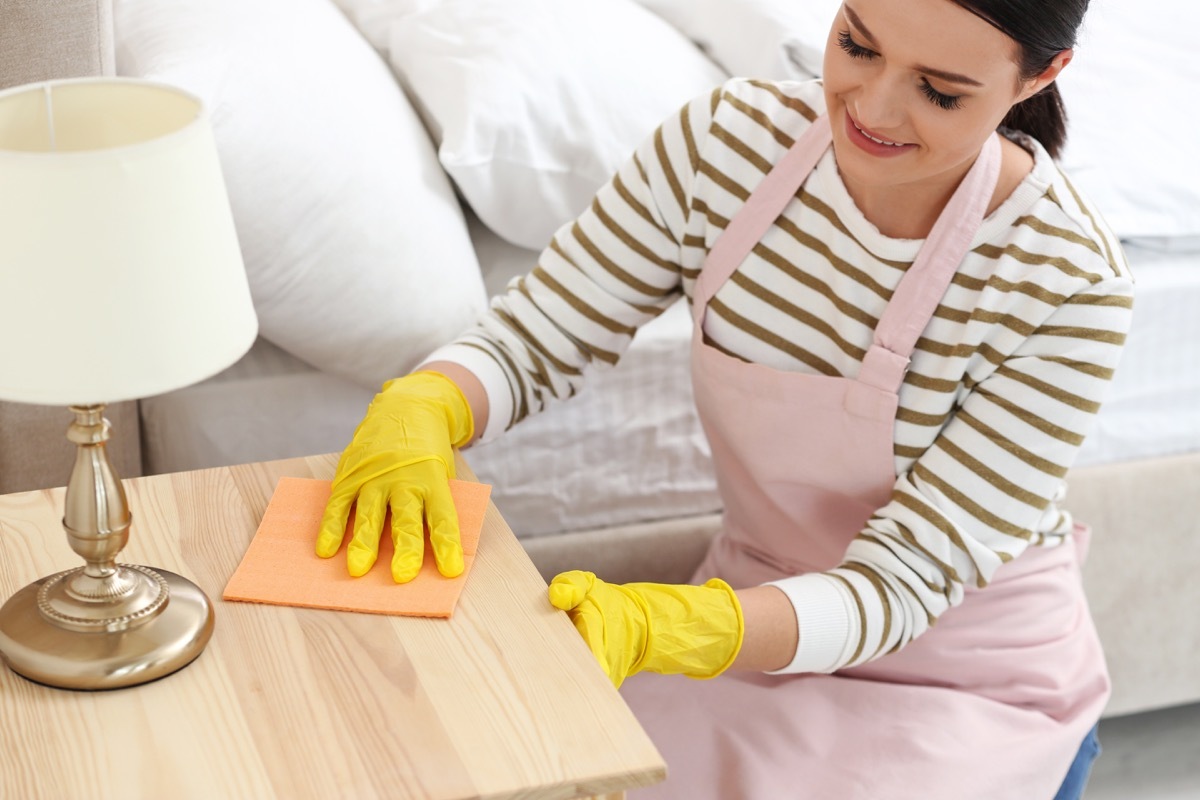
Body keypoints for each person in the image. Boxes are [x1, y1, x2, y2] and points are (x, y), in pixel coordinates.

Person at [315, 0, 1132, 796]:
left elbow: (905, 578)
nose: (874, 107)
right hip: (748, 623)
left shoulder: (1068, 284)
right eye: (857, 44)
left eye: (940, 91)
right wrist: (427, 405)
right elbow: (538, 334)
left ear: (1040, 75)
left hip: (959, 676)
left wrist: (674, 629)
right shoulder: (725, 147)